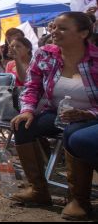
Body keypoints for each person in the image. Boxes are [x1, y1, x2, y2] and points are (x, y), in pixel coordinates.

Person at [10, 12, 98, 219]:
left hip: (91, 116)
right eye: (53, 27)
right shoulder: (44, 54)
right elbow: (31, 87)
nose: (54, 32)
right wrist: (27, 111)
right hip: (57, 112)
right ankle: (38, 191)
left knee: (73, 132)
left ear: (83, 33)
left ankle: (79, 200)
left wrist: (89, 113)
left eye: (63, 28)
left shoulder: (96, 60)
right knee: (22, 126)